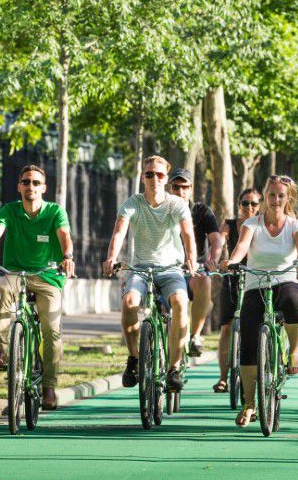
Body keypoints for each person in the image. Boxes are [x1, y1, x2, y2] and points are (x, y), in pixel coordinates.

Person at [0, 164, 76, 411]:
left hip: (48, 276)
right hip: (15, 272)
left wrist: (68, 256)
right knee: (2, 295)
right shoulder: (10, 210)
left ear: (43, 188)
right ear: (19, 186)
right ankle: (1, 351)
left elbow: (64, 235)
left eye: (35, 182)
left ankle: (49, 387)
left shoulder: (54, 211)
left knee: (51, 329)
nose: (30, 186)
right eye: (26, 182)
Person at [220, 174, 298, 427]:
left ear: (288, 199)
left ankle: (293, 353)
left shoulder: (296, 226)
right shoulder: (252, 224)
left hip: (284, 281)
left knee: (295, 301)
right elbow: (241, 247)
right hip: (256, 285)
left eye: (281, 195)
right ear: (265, 197)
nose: (275, 199)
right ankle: (249, 404)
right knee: (248, 342)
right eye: (271, 195)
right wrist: (232, 261)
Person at [103, 156, 197, 393]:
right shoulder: (133, 203)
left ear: (166, 178)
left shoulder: (176, 204)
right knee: (129, 301)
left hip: (170, 269)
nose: (154, 178)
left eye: (159, 174)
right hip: (140, 268)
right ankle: (134, 358)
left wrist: (191, 259)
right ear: (143, 177)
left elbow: (188, 234)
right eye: (149, 174)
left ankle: (174, 368)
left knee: (180, 303)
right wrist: (112, 258)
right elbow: (119, 233)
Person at [167, 169, 222, 358]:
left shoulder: (202, 211)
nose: (180, 191)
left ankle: (195, 336)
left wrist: (212, 259)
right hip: (166, 268)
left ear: (191, 189)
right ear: (169, 188)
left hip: (193, 270)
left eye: (185, 187)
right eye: (176, 187)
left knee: (204, 281)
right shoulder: (160, 209)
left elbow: (216, 240)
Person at [214, 187, 261, 393]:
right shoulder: (230, 224)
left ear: (260, 206)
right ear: (238, 204)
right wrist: (216, 259)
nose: (249, 207)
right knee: (226, 328)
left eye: (253, 204)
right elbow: (220, 241)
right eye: (245, 203)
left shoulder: (262, 225)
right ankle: (223, 378)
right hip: (233, 278)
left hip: (257, 279)